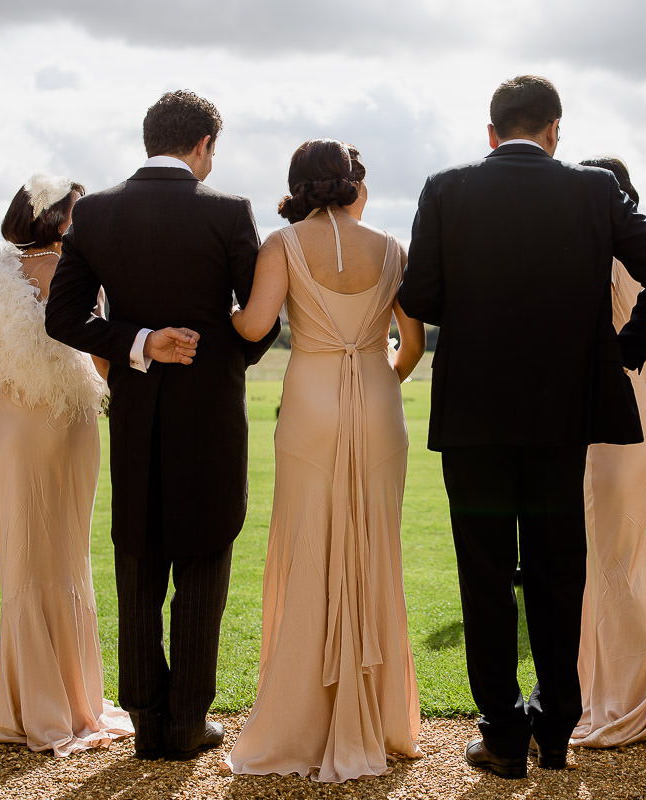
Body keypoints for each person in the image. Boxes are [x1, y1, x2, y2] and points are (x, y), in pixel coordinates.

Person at [398, 75, 646, 779]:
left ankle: (502, 734)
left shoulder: (444, 187)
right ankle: (556, 727)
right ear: (555, 129)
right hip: (563, 414)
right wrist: (619, 351)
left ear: (491, 133)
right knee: (560, 572)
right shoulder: (592, 190)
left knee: (486, 575)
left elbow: (423, 295)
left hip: (473, 416)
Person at [45, 91, 280, 761]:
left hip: (138, 416)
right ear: (204, 143)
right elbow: (256, 326)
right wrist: (212, 348)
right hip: (210, 416)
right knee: (204, 561)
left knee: (139, 564)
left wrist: (143, 342)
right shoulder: (230, 212)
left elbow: (65, 319)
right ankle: (185, 722)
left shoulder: (94, 212)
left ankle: (148, 723)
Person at [224, 140, 426, 782]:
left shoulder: (282, 245)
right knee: (373, 545)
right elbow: (414, 345)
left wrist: (222, 307)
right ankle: (381, 716)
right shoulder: (393, 249)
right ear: (351, 183)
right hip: (376, 394)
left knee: (310, 539)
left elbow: (255, 327)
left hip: (310, 395)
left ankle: (303, 717)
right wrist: (375, 380)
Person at [0, 175, 133, 755]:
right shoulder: (77, 275)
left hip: (10, 425)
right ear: (65, 220)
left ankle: (24, 705)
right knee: (68, 555)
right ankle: (74, 701)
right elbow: (100, 364)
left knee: (19, 556)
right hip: (69, 424)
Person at [570, 157, 646, 748]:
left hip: (626, 421)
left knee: (623, 563)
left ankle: (631, 700)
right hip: (602, 424)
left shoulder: (624, 258)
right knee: (600, 562)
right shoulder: (595, 253)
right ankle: (597, 692)